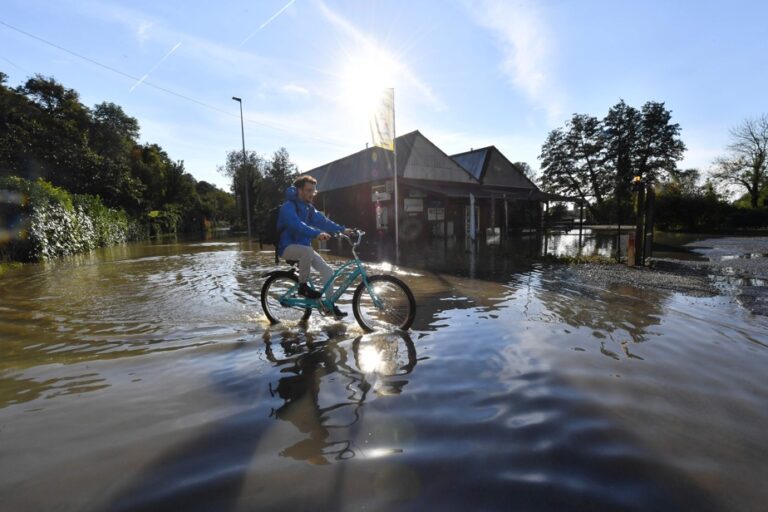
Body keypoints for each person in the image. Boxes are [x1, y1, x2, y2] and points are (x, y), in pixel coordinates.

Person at [277, 176, 353, 318]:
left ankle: (329, 306)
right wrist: (317, 233)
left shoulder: (308, 208)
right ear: (299, 190)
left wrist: (342, 229)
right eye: (309, 190)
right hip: (287, 247)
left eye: (314, 190)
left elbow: (323, 222)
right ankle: (303, 287)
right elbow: (297, 225)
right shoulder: (288, 207)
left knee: (328, 271)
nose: (312, 193)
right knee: (306, 251)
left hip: (304, 248)